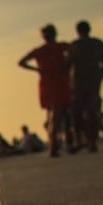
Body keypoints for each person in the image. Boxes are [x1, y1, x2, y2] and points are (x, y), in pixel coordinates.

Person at [18, 23, 73, 156]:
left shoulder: (40, 51)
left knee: (52, 114)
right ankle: (55, 146)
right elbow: (74, 54)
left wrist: (38, 69)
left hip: (47, 83)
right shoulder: (61, 47)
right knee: (60, 115)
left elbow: (22, 62)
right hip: (60, 83)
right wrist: (66, 65)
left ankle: (56, 144)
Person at [68, 20, 103, 151]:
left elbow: (68, 64)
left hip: (78, 83)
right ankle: (92, 141)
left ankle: (79, 140)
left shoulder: (74, 45)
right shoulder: (98, 43)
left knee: (76, 113)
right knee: (92, 112)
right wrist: (100, 77)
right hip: (93, 81)